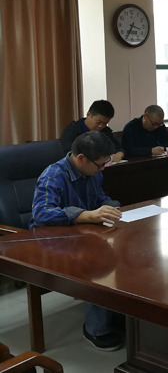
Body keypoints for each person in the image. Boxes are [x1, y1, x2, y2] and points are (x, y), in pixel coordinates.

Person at [30, 131, 125, 351]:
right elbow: (41, 214)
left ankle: (122, 315)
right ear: (81, 158)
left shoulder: (93, 171)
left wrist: (110, 206)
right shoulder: (53, 175)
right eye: (100, 164)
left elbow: (99, 197)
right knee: (99, 263)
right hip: (51, 241)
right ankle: (96, 328)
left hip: (83, 235)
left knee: (126, 255)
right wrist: (83, 215)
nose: (103, 169)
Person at [60, 100, 124, 162]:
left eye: (105, 123)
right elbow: (71, 155)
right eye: (98, 122)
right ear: (88, 115)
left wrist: (120, 153)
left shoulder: (105, 131)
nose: (101, 126)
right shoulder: (72, 131)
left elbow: (116, 147)